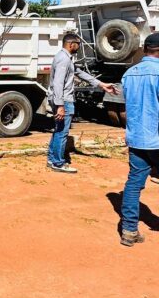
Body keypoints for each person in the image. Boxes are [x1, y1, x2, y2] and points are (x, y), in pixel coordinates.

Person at [47, 31, 117, 173]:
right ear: (71, 44)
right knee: (62, 132)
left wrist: (101, 84)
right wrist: (60, 105)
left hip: (61, 99)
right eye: (78, 44)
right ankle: (58, 163)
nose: (79, 47)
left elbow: (80, 73)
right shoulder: (64, 59)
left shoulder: (65, 58)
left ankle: (52, 158)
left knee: (59, 130)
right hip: (64, 100)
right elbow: (58, 83)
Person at [120, 32, 159, 246]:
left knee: (134, 184)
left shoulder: (129, 74)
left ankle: (129, 231)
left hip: (136, 137)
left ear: (145, 49)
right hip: (156, 138)